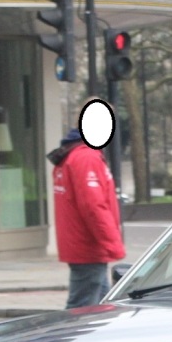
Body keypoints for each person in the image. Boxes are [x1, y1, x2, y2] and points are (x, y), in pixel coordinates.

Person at [48, 129, 125, 309]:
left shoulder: (71, 155)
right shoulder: (86, 157)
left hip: (83, 244)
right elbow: (93, 205)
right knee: (81, 311)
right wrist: (112, 243)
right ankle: (69, 337)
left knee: (102, 306)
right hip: (88, 246)